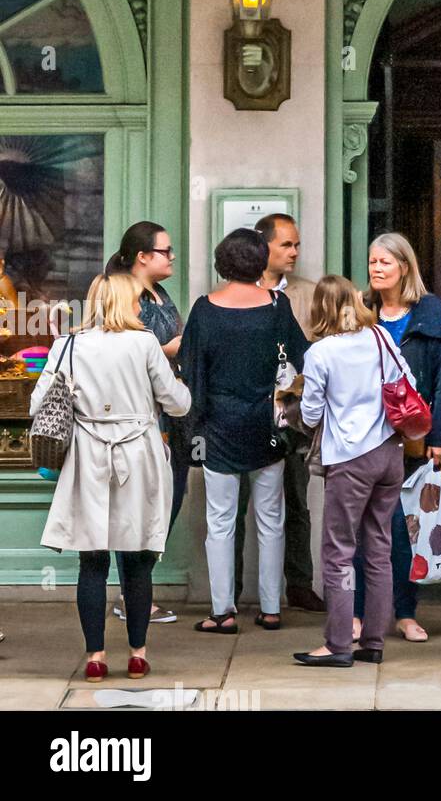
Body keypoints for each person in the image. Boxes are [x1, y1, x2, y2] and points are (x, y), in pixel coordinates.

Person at [30, 272, 191, 681]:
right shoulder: (144, 344)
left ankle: (95, 658)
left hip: (88, 457)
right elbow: (177, 404)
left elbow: (37, 403)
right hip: (138, 455)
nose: (141, 305)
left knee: (92, 561)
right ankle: (137, 654)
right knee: (136, 561)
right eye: (137, 299)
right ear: (126, 302)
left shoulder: (67, 346)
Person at [181, 229, 307, 635]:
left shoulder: (204, 309)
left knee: (221, 521)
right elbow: (302, 358)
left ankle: (222, 611)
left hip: (218, 424)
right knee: (271, 518)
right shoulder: (276, 305)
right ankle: (271, 608)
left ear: (222, 262)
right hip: (266, 425)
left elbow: (189, 369)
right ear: (259, 261)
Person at [293, 276, 411, 667]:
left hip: (349, 457)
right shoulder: (380, 338)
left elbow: (310, 413)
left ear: (320, 308)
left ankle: (339, 643)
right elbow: (407, 383)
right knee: (379, 549)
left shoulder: (321, 353)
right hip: (390, 453)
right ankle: (373, 641)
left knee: (339, 551)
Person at [352, 232, 441, 644]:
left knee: (402, 530)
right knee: (361, 529)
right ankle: (358, 614)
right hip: (361, 436)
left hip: (409, 436)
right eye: (373, 261)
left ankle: (405, 612)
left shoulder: (426, 312)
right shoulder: (359, 308)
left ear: (405, 268)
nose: (376, 269)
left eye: (385, 262)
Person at [227, 213, 324, 615]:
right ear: (262, 246)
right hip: (243, 418)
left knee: (296, 504)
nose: (295, 252)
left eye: (298, 245)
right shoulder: (231, 293)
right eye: (287, 245)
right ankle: (227, 592)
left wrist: (292, 394)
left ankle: (299, 585)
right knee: (235, 507)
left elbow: (320, 352)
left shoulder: (309, 293)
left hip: (294, 417)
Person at [104, 221, 183, 625]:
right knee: (133, 507)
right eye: (165, 250)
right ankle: (132, 595)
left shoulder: (160, 292)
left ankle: (137, 589)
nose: (172, 257)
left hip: (168, 410)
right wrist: (180, 345)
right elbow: (134, 347)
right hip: (135, 417)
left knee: (166, 500)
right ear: (142, 257)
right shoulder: (125, 297)